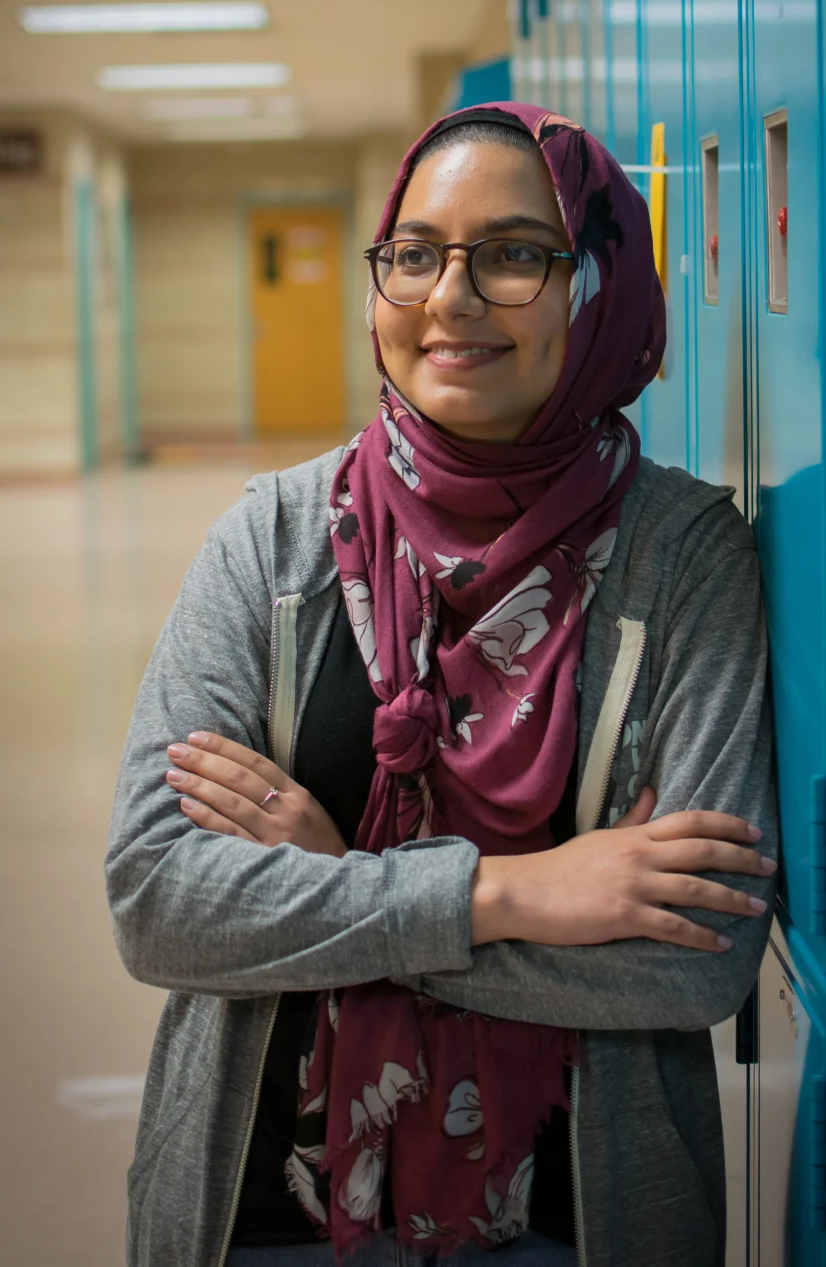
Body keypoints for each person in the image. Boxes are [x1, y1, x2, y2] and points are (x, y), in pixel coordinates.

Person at [106, 103, 777, 1267]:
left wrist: (332, 889)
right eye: (414, 254)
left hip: (578, 1224)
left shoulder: (683, 558)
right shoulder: (270, 542)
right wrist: (503, 898)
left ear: (599, 284)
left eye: (514, 253)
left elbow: (692, 955)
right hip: (263, 1220)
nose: (449, 298)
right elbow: (162, 901)